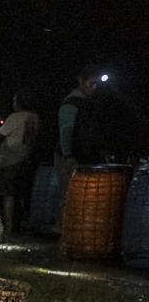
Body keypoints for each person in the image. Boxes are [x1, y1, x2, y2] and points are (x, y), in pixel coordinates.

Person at [54, 67, 102, 232]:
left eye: (96, 84)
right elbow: (66, 130)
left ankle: (75, 233)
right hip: (69, 156)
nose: (94, 87)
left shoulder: (89, 103)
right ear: (81, 80)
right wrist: (68, 155)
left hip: (84, 156)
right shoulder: (71, 103)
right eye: (91, 83)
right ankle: (62, 232)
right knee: (67, 195)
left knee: (82, 197)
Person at [0, 91, 41, 233]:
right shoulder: (35, 117)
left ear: (18, 103)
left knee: (8, 194)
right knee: (21, 193)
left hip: (10, 160)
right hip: (27, 159)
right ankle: (19, 224)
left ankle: (8, 226)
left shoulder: (15, 117)